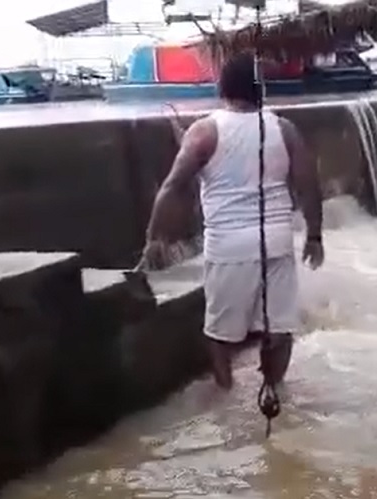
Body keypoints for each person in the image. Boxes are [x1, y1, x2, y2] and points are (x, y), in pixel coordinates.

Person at [139, 52, 324, 390]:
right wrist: (315, 236)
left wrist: (155, 237)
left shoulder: (205, 132)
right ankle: (273, 390)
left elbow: (173, 186)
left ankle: (227, 397)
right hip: (277, 241)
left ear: (222, 88)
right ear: (260, 91)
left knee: (220, 334)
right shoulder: (283, 129)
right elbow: (309, 184)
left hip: (229, 247)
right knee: (278, 329)